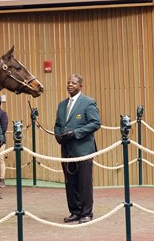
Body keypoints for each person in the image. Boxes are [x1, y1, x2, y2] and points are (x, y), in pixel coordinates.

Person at [54, 73, 101, 224]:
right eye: (68, 82)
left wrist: (75, 133)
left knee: (84, 182)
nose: (70, 85)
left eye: (73, 83)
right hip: (67, 150)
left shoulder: (88, 102)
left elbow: (95, 123)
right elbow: (58, 124)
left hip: (83, 150)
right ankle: (74, 211)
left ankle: (86, 213)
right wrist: (58, 135)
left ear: (80, 85)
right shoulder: (61, 105)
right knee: (70, 182)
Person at [0, 95, 8, 188]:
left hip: (0, 141)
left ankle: (2, 179)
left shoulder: (3, 114)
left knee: (0, 159)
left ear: (0, 103)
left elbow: (4, 128)